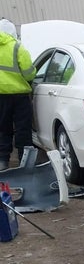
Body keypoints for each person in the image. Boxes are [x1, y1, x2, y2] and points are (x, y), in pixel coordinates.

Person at [0, 18, 35, 171]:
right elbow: (29, 72)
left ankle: (2, 161)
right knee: (23, 129)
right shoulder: (17, 47)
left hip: (0, 96)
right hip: (20, 96)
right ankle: (24, 161)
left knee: (2, 128)